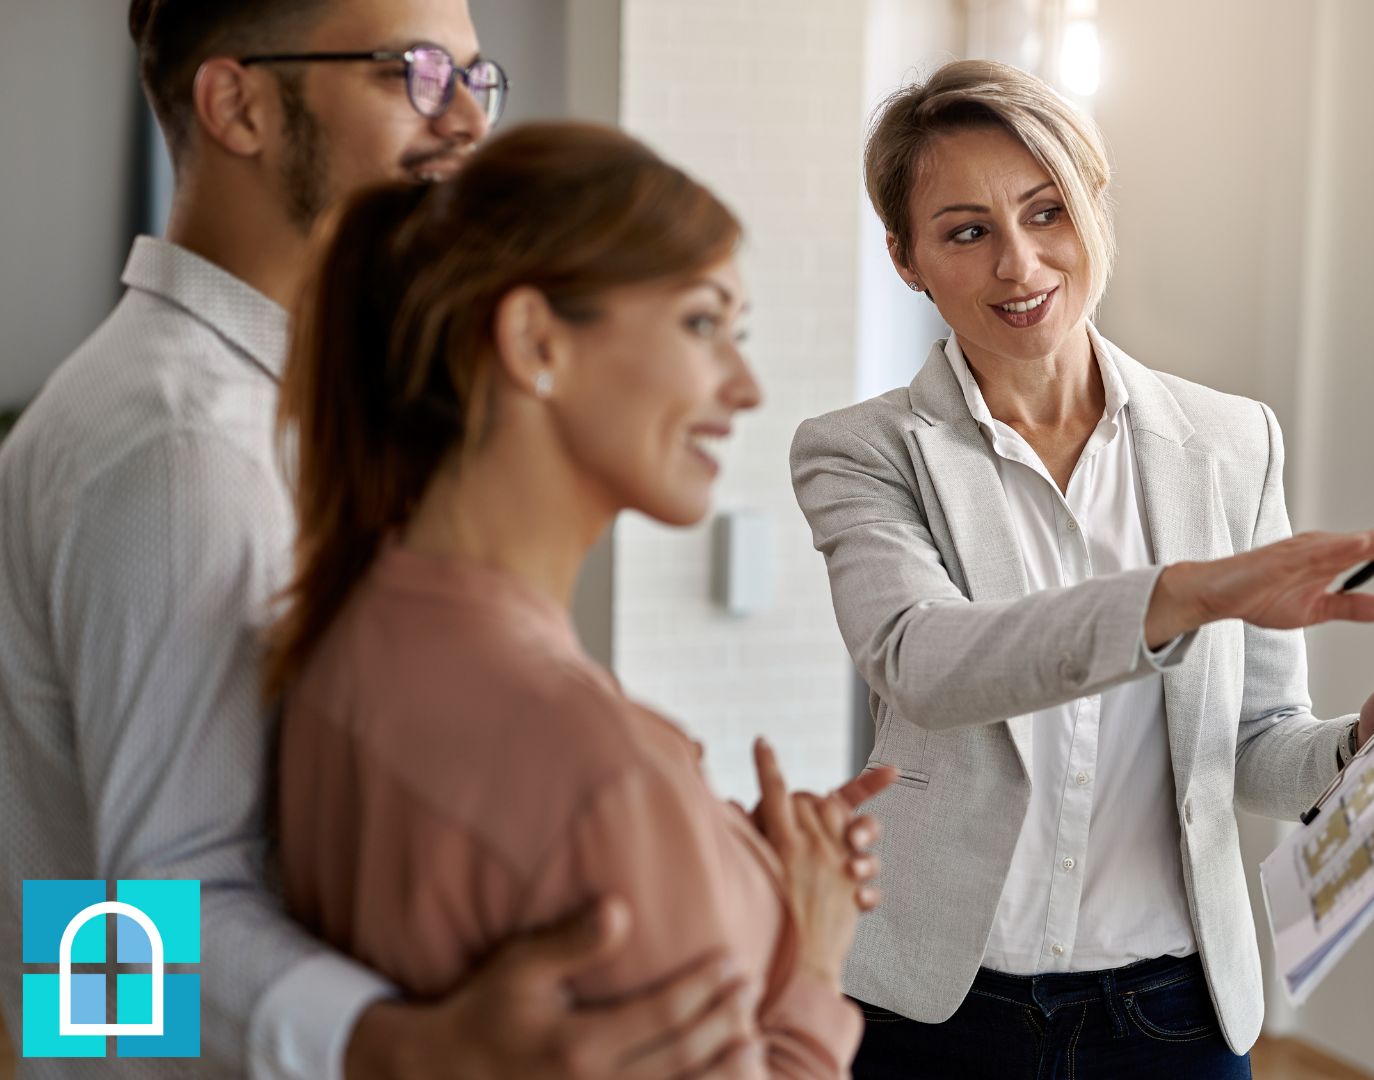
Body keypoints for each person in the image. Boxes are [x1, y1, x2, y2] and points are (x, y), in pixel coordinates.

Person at [0, 3, 859, 1077]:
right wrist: (398, 1045)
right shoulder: (182, 448)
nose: (465, 120)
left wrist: (696, 848)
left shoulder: (329, 420)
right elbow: (111, 946)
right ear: (239, 104)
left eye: (471, 75)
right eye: (407, 73)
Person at [789, 59, 1374, 1079]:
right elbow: (926, 662)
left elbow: (1255, 744)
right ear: (907, 258)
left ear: (1095, 210)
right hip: (940, 1006)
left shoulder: (1233, 443)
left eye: (1047, 211)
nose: (1020, 263)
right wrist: (1182, 596)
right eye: (967, 231)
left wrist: (1359, 747)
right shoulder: (863, 451)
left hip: (1172, 1014)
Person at [268, 121, 889, 1080]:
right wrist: (811, 962)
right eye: (701, 323)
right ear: (533, 341)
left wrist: (723, 850)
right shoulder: (163, 462)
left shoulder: (355, 628)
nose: (748, 385)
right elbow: (83, 927)